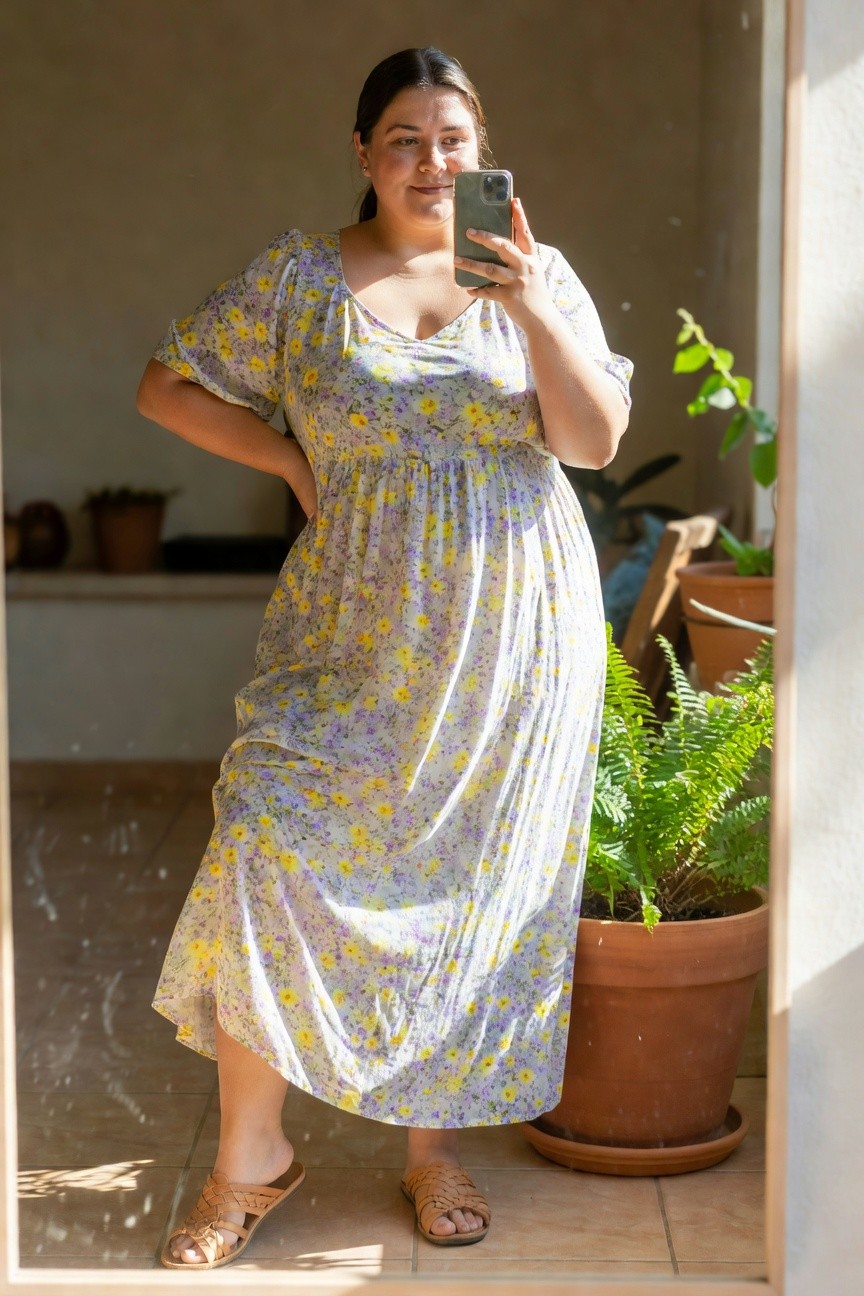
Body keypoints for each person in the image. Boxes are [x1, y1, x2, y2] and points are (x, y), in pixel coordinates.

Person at [137, 45, 632, 1270]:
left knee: (469, 881)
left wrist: (522, 298)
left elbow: (594, 438)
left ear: (483, 148)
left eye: (453, 137)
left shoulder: (536, 273)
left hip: (515, 631)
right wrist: (298, 462)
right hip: (351, 628)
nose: (432, 159)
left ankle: (434, 1153)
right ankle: (250, 1159)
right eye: (404, 137)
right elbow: (166, 388)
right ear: (362, 153)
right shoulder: (301, 280)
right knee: (263, 831)